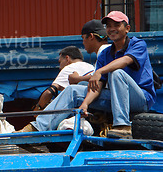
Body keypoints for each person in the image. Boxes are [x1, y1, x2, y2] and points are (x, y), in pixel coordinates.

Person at [19, 11, 156, 139]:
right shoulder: (105, 54)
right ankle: (37, 128)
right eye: (108, 26)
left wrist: (99, 71)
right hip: (116, 98)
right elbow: (98, 84)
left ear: (127, 28)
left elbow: (125, 61)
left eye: (117, 25)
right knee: (72, 90)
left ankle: (122, 126)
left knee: (116, 72)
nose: (112, 28)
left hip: (140, 99)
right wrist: (85, 104)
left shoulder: (137, 44)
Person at [32, 46, 94, 111]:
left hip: (80, 106)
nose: (59, 67)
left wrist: (38, 108)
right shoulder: (91, 67)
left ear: (67, 58)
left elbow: (50, 92)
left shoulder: (70, 67)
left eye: (60, 62)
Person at [68, 19, 109, 85]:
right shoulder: (106, 50)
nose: (83, 42)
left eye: (83, 38)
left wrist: (77, 79)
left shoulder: (104, 50)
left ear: (91, 36)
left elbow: (99, 77)